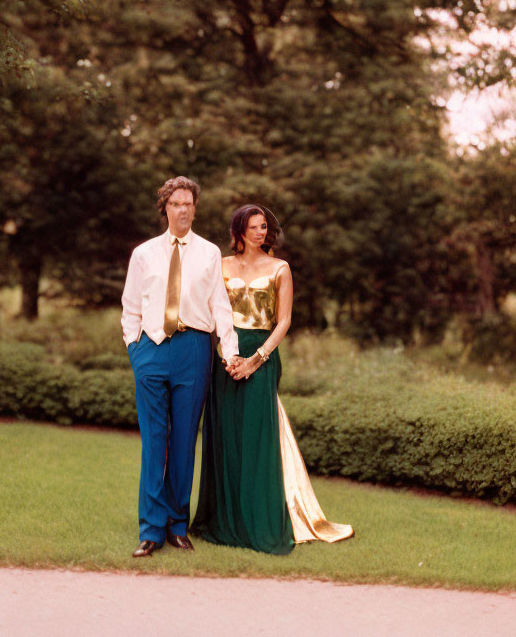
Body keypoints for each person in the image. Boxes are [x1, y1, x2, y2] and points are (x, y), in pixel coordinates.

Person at [191, 205, 354, 554]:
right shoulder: (220, 266)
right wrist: (226, 355)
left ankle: (259, 521)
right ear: (239, 232)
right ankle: (223, 520)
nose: (260, 232)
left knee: (256, 436)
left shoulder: (280, 268)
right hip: (225, 354)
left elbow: (284, 322)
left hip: (262, 353)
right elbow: (213, 312)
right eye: (253, 227)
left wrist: (256, 360)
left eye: (264, 226)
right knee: (224, 435)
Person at [121, 176, 242, 558]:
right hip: (152, 350)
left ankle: (177, 524)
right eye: (176, 203)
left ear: (195, 208)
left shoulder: (208, 253)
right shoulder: (144, 254)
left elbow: (219, 305)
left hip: (193, 348)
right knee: (155, 441)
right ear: (165, 208)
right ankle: (151, 528)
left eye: (189, 203)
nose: (184, 209)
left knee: (184, 440)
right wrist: (134, 351)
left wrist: (231, 350)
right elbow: (130, 307)